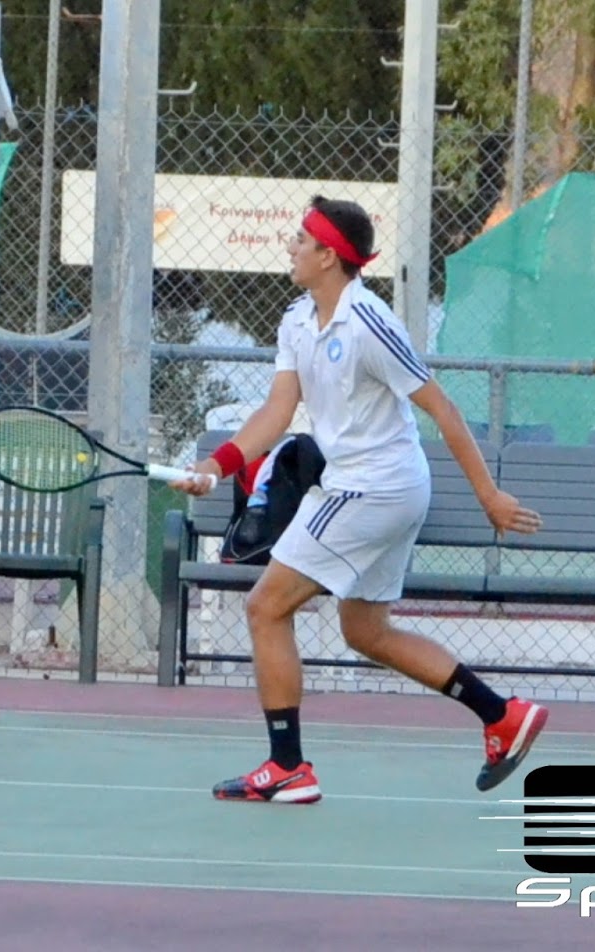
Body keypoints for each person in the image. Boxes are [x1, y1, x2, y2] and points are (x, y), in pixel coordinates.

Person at [173, 195, 547, 805]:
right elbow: (277, 411)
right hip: (370, 487)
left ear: (329, 255)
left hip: (374, 487)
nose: (291, 247)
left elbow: (442, 408)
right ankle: (501, 715)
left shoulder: (370, 323)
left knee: (266, 607)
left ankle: (287, 767)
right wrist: (218, 466)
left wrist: (489, 495)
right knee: (365, 630)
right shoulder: (297, 319)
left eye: (301, 239)